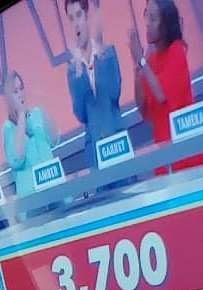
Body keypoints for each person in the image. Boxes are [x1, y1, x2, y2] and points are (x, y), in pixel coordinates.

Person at [130, 0, 203, 173]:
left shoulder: (177, 50)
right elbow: (143, 110)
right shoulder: (151, 61)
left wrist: (142, 62)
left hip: (186, 153)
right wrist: (137, 71)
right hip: (164, 156)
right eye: (146, 16)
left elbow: (162, 94)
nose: (147, 24)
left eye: (153, 19)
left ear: (165, 24)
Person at [64, 0, 125, 170]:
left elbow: (114, 93)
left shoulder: (108, 53)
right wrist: (79, 71)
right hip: (95, 152)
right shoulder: (72, 70)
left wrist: (100, 57)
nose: (76, 24)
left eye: (78, 15)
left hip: (117, 143)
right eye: (71, 19)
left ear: (87, 16)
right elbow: (81, 114)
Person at [2, 71, 60, 194]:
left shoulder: (37, 113)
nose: (20, 94)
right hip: (31, 194)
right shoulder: (8, 128)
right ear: (9, 98)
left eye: (21, 89)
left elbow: (54, 139)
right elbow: (17, 158)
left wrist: (43, 104)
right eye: (15, 91)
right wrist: (21, 115)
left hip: (53, 183)